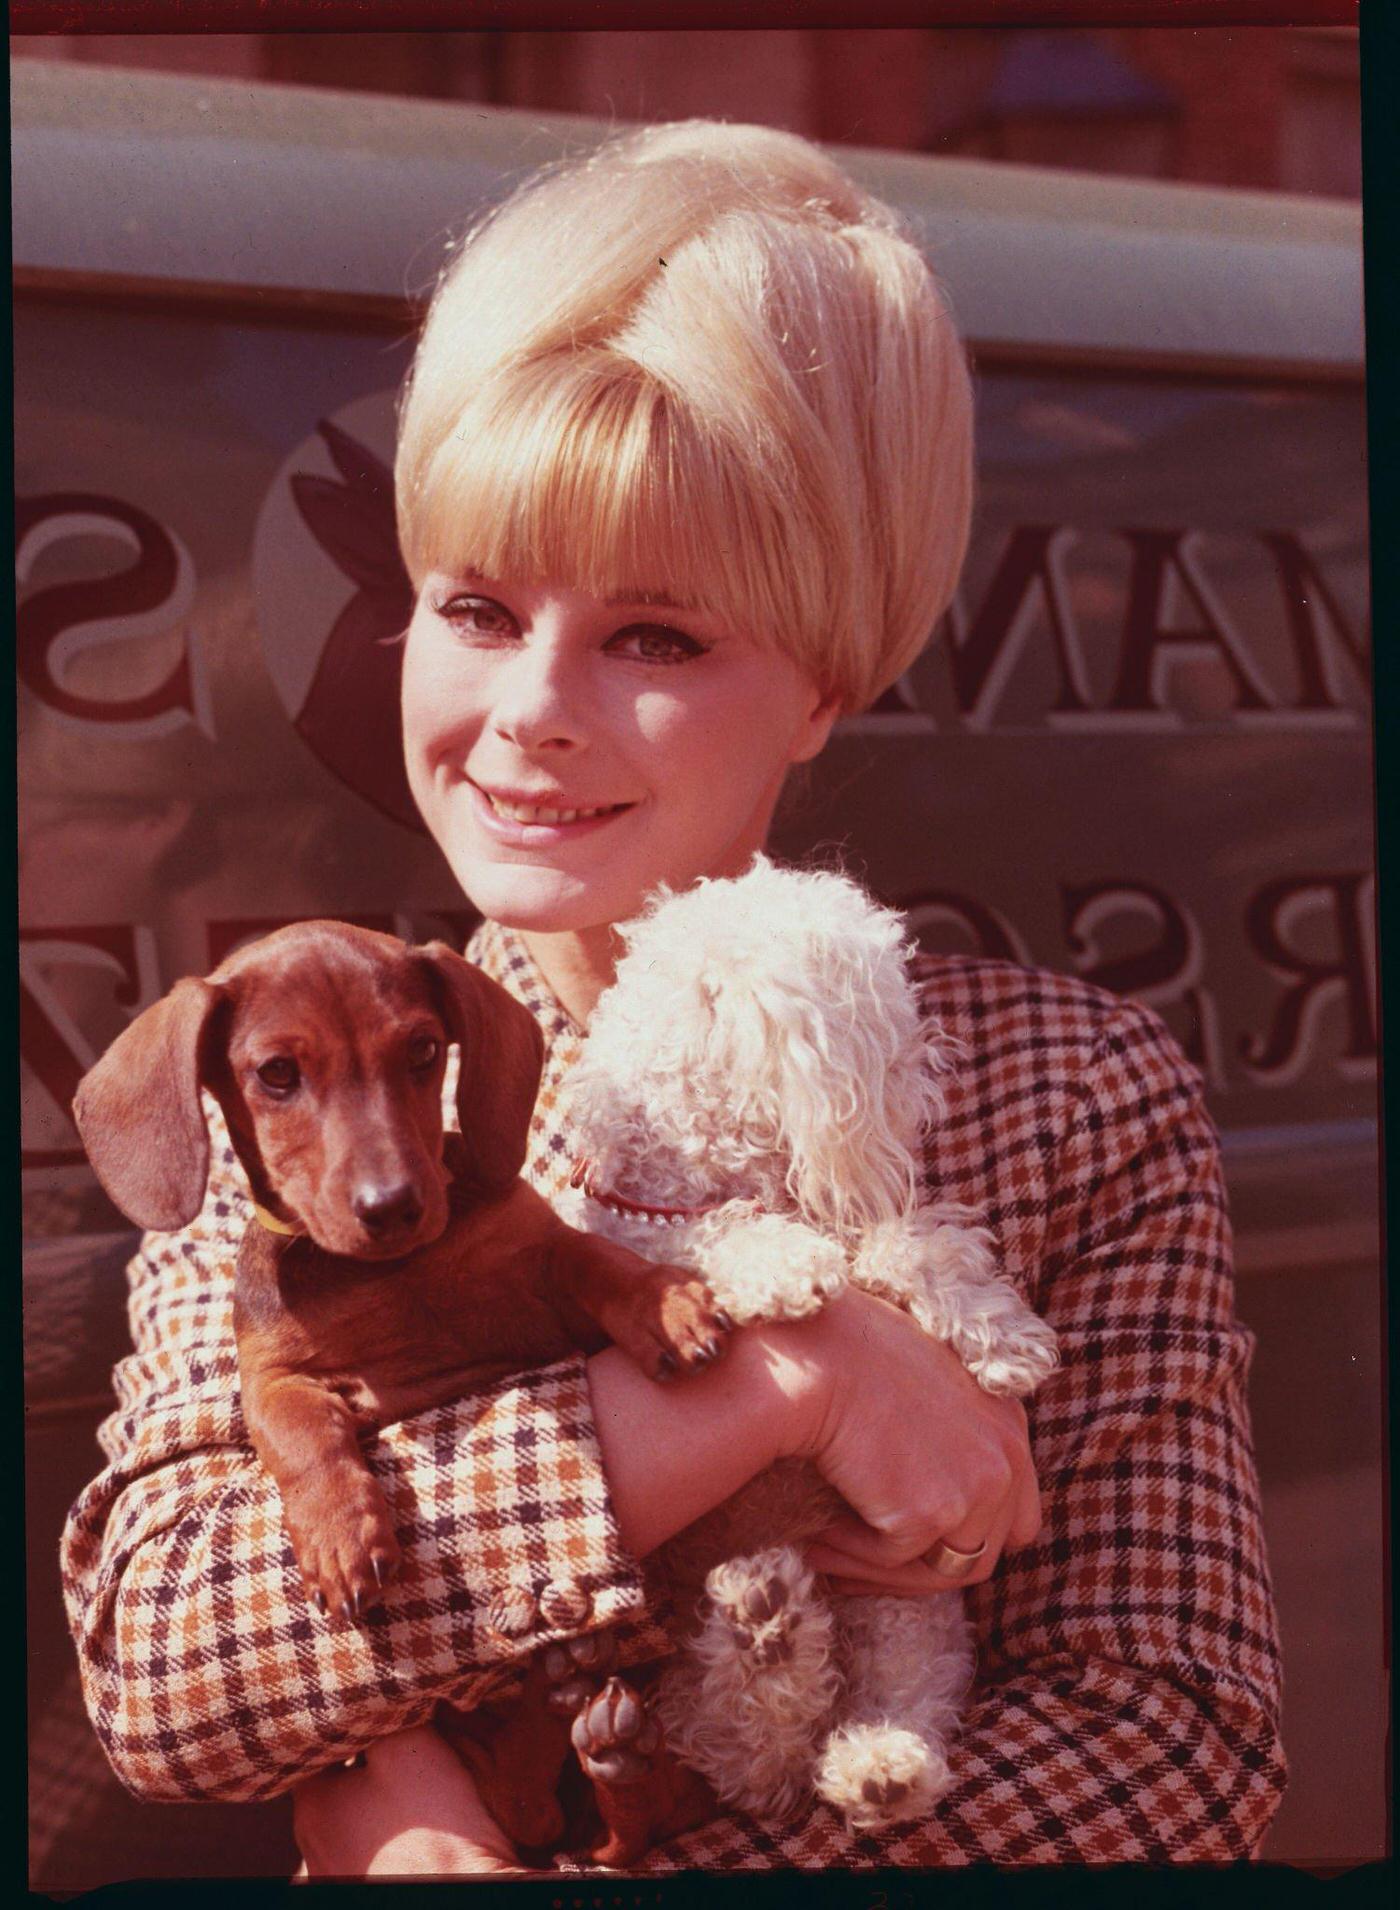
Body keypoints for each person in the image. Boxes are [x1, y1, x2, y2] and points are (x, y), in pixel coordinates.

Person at [61, 120, 1286, 1875]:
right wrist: (783, 1381)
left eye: (656, 638)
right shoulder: (307, 1097)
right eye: (476, 605)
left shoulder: (1063, 1094)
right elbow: (166, 1667)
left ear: (825, 681)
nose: (531, 710)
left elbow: (1175, 1742)